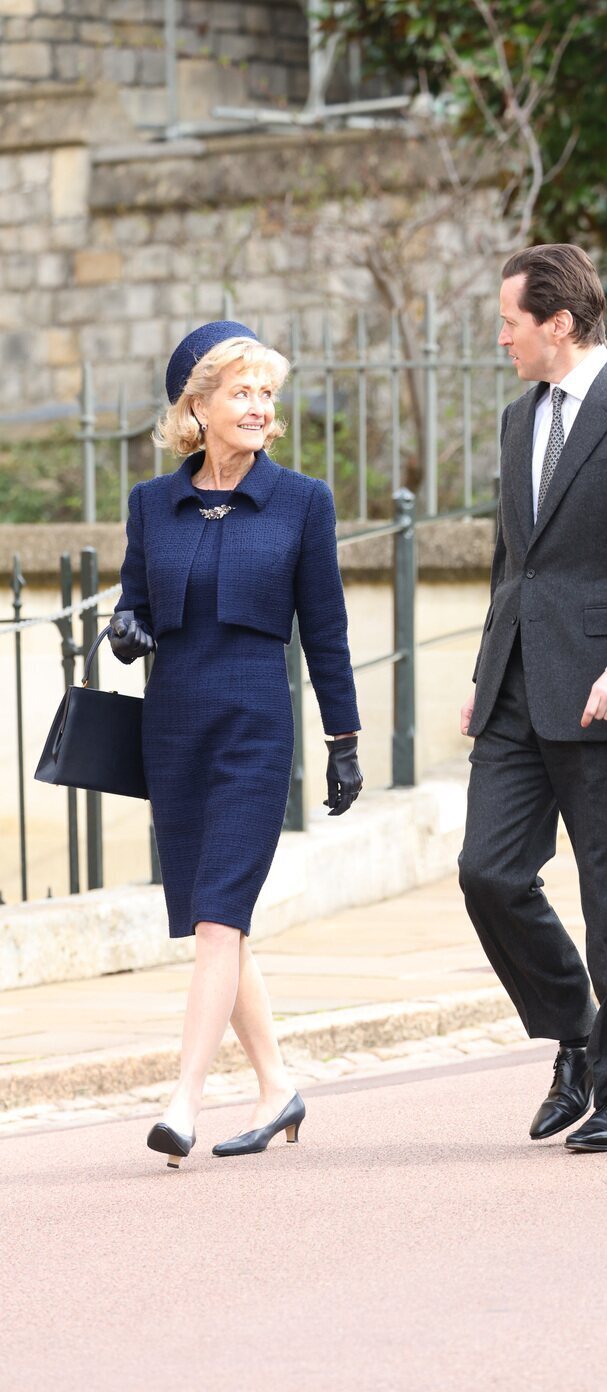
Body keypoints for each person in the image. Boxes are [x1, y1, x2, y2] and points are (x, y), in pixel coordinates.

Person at [458, 245, 607, 1152]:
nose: (502, 337)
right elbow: (510, 560)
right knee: (488, 871)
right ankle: (579, 1033)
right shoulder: (519, 420)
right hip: (519, 685)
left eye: (510, 322)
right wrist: (486, 673)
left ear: (559, 324)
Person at [111, 320, 362, 1168]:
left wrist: (344, 738)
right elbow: (133, 605)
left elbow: (325, 631)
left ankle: (182, 1098)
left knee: (220, 919)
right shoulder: (153, 504)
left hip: (253, 734)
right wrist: (125, 629)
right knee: (216, 926)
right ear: (199, 405)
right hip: (173, 730)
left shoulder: (302, 502)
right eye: (242, 392)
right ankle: (276, 1087)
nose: (260, 407)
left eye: (266, 393)